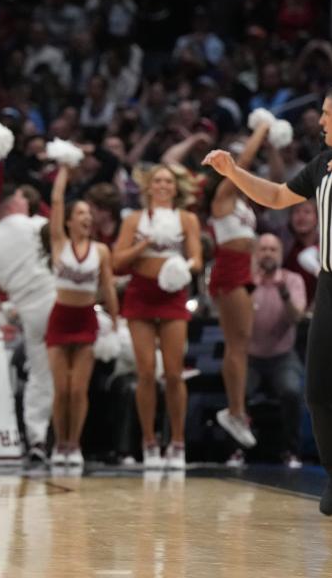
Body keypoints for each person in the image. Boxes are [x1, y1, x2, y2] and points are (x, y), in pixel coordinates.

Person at [203, 81, 332, 523]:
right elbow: (279, 197)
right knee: (318, 392)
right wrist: (233, 173)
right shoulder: (322, 164)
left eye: (325, 114)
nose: (318, 122)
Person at [112, 164, 202, 471]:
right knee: (147, 372)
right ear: (148, 187)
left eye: (168, 181)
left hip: (173, 294)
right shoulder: (135, 220)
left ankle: (177, 442)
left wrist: (179, 270)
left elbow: (197, 260)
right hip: (140, 294)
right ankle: (149, 442)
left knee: (175, 373)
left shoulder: (187, 219)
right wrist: (144, 244)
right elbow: (116, 260)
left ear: (176, 188)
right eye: (157, 181)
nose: (163, 185)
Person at [45, 166, 119, 467]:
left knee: (78, 389)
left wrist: (116, 320)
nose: (87, 218)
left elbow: (108, 287)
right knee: (61, 389)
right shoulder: (59, 243)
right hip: (60, 318)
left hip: (86, 318)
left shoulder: (101, 250)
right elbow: (57, 200)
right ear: (70, 220)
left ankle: (74, 445)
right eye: (81, 214)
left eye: (90, 214)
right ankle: (59, 444)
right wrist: (65, 168)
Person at [207, 122, 270, 450]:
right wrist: (262, 128)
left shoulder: (244, 203)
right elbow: (242, 162)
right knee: (237, 343)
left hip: (244, 269)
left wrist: (272, 144)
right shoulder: (223, 195)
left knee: (241, 344)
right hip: (229, 269)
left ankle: (236, 410)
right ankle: (234, 411)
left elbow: (274, 179)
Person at [0, 188, 55, 462]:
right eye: (24, 196)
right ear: (13, 202)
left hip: (27, 309)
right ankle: (64, 442)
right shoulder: (35, 224)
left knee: (40, 374)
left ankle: (37, 437)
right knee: (68, 373)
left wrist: (0, 316)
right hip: (56, 297)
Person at [247, 233, 306, 468]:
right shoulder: (246, 280)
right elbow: (233, 318)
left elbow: (296, 317)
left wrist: (283, 293)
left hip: (283, 355)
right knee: (236, 392)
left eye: (273, 249)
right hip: (249, 356)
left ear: (281, 255)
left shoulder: (292, 280)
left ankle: (290, 451)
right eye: (263, 249)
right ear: (255, 254)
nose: (268, 254)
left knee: (292, 391)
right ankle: (235, 452)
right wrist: (252, 285)